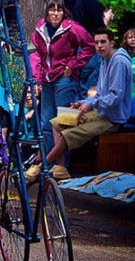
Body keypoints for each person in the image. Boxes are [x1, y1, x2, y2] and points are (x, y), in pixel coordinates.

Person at [25, 28, 133, 182]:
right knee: (58, 122)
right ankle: (61, 168)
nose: (99, 46)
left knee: (69, 134)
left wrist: (90, 105)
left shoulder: (119, 61)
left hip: (112, 118)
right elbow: (100, 94)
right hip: (100, 112)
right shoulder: (104, 61)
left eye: (103, 42)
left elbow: (115, 97)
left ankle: (41, 166)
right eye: (96, 43)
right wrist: (81, 103)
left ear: (112, 43)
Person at [30, 0, 95, 152]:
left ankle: (63, 166)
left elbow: (89, 46)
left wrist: (72, 64)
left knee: (65, 121)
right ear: (46, 12)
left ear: (64, 12)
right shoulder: (40, 29)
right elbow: (35, 54)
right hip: (47, 81)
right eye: (52, 10)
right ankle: (49, 166)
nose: (55, 14)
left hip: (64, 80)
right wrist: (36, 78)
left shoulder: (72, 28)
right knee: (47, 123)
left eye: (59, 10)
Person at [121, 28, 135, 123]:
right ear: (125, 40)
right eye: (130, 37)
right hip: (125, 95)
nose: (133, 39)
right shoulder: (121, 56)